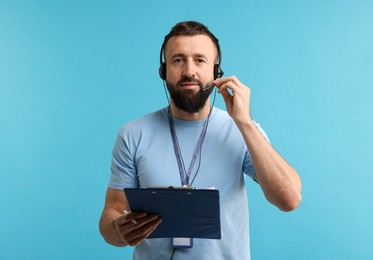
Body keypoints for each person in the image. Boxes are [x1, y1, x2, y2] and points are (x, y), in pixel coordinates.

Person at [99, 21, 302, 259]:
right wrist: (118, 230)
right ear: (163, 71)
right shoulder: (133, 134)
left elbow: (289, 199)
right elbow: (111, 213)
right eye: (178, 60)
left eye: (200, 60)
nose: (189, 71)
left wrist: (245, 122)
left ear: (217, 72)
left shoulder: (242, 130)